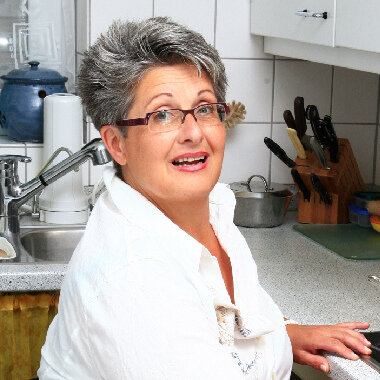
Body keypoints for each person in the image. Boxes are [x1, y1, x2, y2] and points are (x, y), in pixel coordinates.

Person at [38, 17, 371, 380]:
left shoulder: (211, 210)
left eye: (205, 108)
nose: (193, 132)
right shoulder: (131, 277)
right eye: (163, 114)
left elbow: (227, 318)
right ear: (117, 143)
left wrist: (282, 333)